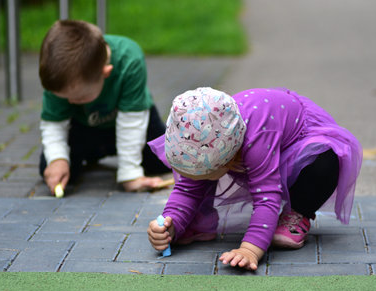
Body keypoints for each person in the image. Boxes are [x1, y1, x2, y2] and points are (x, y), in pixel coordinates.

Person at [147, 87, 362, 271]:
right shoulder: (197, 133)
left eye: (198, 176)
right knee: (197, 180)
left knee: (326, 162)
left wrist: (250, 249)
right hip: (246, 137)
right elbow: (186, 189)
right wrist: (170, 226)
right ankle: (195, 221)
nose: (189, 179)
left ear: (229, 160)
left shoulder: (254, 140)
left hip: (297, 138)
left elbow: (267, 197)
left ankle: (298, 214)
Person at [38, 20, 170, 195]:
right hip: (83, 127)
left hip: (134, 121)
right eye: (63, 97)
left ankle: (110, 154)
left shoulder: (129, 58)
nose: (69, 102)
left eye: (79, 97)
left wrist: (130, 173)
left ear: (105, 73)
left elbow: (132, 123)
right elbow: (53, 124)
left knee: (165, 161)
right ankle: (92, 153)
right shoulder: (58, 75)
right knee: (50, 169)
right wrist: (57, 159)